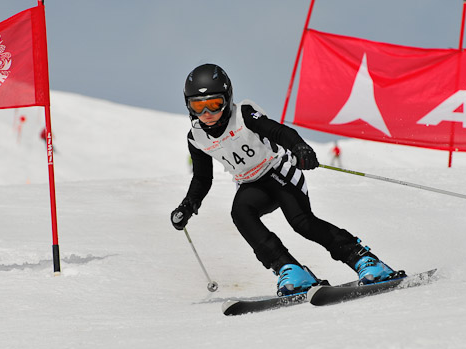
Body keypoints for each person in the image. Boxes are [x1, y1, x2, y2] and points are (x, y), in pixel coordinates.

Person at [170, 64, 402, 296]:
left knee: (301, 222)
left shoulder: (244, 114)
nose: (207, 114)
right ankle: (290, 269)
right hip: (251, 184)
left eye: (214, 104)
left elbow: (278, 131)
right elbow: (202, 178)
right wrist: (188, 206)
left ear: (228, 98)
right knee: (241, 214)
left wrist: (299, 147)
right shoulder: (196, 137)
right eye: (198, 106)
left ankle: (366, 261)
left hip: (279, 171)